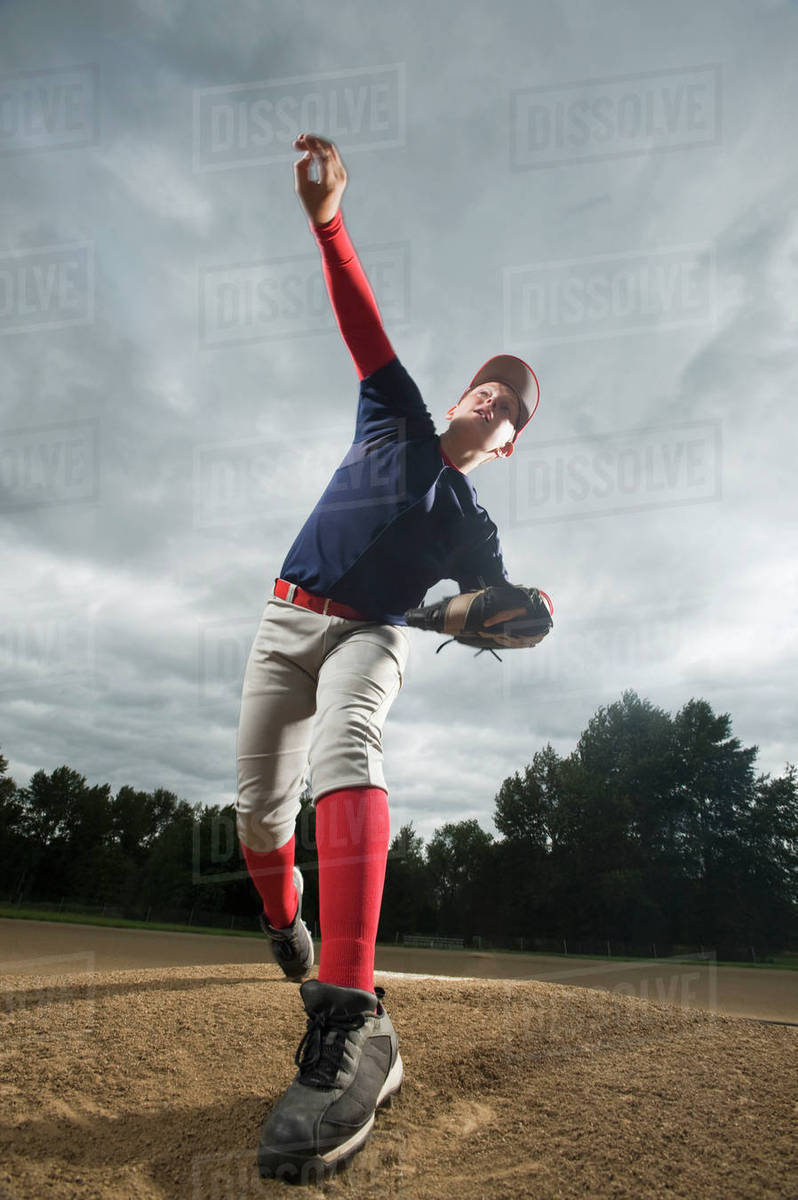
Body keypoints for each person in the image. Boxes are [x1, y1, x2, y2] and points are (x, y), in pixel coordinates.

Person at [235, 132, 540, 1183]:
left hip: (378, 633)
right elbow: (362, 319)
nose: (495, 401)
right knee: (256, 821)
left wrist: (500, 610)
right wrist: (328, 219)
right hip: (285, 620)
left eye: (513, 410)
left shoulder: (472, 523)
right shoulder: (396, 412)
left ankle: (353, 1016)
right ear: (461, 396)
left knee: (350, 743)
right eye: (490, 388)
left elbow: (471, 604)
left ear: (506, 447)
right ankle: (289, 927)